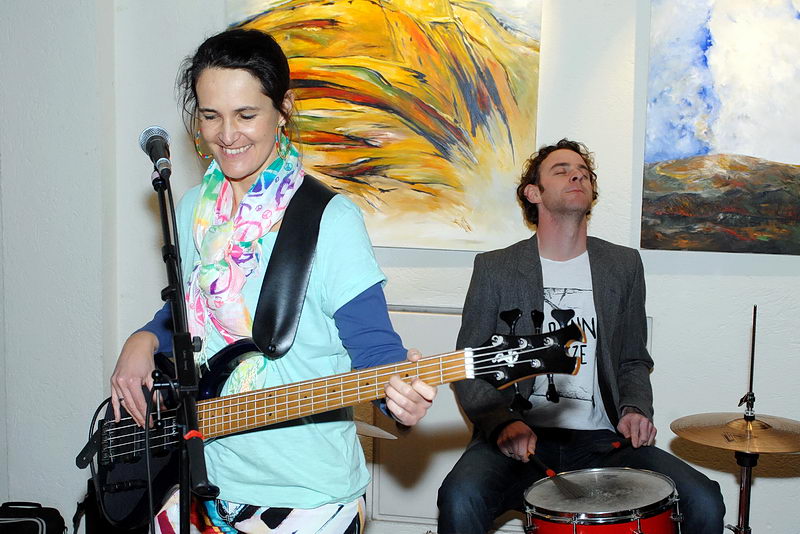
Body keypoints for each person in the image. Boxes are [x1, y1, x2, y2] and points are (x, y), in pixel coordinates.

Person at [109, 28, 436, 534]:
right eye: (210, 115)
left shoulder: (330, 219)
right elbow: (190, 314)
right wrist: (145, 338)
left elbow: (375, 348)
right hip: (206, 480)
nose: (227, 135)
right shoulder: (194, 209)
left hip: (307, 495)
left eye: (246, 115)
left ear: (282, 109)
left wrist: (401, 397)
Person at [437, 139, 725, 533]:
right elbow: (468, 366)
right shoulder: (495, 268)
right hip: (520, 437)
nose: (577, 176)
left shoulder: (622, 265)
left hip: (604, 443)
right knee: (460, 497)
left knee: (703, 499)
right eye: (562, 170)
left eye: (583, 172)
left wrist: (635, 409)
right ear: (533, 193)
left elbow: (632, 358)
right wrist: (502, 423)